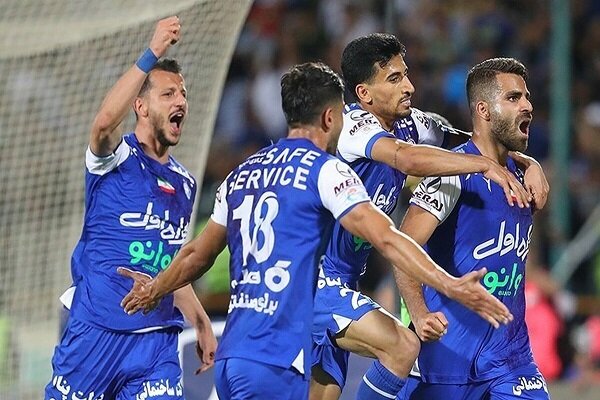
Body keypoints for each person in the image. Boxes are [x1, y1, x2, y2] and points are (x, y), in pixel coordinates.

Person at [118, 61, 512, 399]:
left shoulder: (241, 174)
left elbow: (196, 255)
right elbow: (388, 238)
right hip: (280, 355)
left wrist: (155, 289)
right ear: (330, 117)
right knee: (402, 344)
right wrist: (449, 285)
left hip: (235, 353)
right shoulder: (326, 171)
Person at [309, 33, 550, 400]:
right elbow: (407, 158)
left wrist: (527, 161)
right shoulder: (352, 127)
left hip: (348, 280)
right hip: (314, 275)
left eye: (405, 75)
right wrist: (484, 166)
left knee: (324, 392)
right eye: (394, 78)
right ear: (363, 93)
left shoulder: (413, 125)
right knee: (402, 345)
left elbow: (475, 137)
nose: (409, 86)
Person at [45, 17, 217, 400]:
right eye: (168, 94)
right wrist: (153, 50)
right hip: (96, 332)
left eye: (183, 94)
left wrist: (201, 320)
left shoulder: (185, 183)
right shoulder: (115, 158)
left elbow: (171, 263)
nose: (181, 102)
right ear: (140, 105)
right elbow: (103, 125)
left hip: (156, 341)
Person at [395, 57, 550, 399]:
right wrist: (419, 314)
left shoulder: (525, 177)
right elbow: (402, 247)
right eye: (513, 98)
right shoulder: (452, 174)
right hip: (447, 362)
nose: (527, 105)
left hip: (512, 362)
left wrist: (532, 162)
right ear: (484, 110)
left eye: (526, 97)